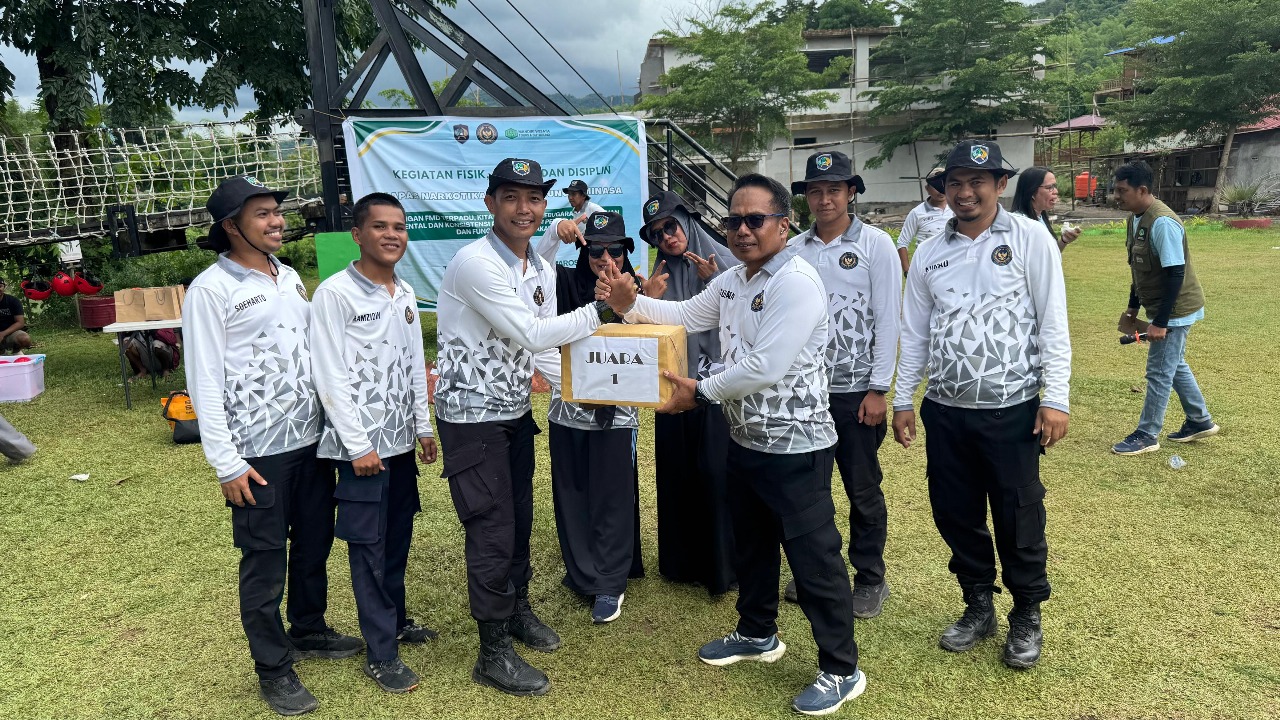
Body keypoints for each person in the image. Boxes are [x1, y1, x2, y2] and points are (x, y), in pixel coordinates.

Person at [597, 174, 866, 717]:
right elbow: (684, 314)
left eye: (755, 220)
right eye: (734, 221)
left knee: (814, 559)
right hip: (746, 438)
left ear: (783, 225)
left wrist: (698, 393)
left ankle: (841, 668)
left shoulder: (795, 281)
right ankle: (757, 632)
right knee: (753, 544)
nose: (742, 230)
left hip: (795, 444)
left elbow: (765, 366)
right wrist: (630, 304)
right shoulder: (733, 281)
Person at [434, 157, 618, 697]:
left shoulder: (536, 265)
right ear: (490, 203)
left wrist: (580, 391)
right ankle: (492, 651)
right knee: (492, 529)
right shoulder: (475, 264)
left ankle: (516, 610)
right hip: (472, 417)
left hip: (513, 411)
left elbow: (537, 351)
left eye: (534, 198)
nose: (524, 208)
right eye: (511, 197)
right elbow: (534, 333)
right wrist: (604, 309)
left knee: (517, 519)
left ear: (545, 205)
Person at [184, 175, 361, 716]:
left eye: (276, 212)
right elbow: (203, 380)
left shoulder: (288, 276)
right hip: (256, 452)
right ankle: (273, 668)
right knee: (264, 560)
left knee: (314, 542)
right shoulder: (210, 289)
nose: (277, 221)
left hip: (310, 440)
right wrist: (226, 463)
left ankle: (308, 628)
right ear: (231, 226)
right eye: (261, 214)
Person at [891, 140, 1070, 670]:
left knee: (1018, 515)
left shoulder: (1030, 238)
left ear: (1000, 185)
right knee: (956, 512)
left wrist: (1055, 399)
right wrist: (904, 400)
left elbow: (1052, 322)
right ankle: (977, 604)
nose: (965, 192)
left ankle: (1026, 612)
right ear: (943, 189)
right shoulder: (930, 251)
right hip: (945, 410)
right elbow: (915, 333)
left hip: (1011, 409)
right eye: (955, 183)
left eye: (977, 182)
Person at [309, 192, 439, 694]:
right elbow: (329, 374)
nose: (392, 235)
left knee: (397, 537)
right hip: (361, 452)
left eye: (399, 227)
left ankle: (397, 620)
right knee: (369, 548)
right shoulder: (335, 294)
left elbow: (413, 363)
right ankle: (381, 654)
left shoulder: (403, 291)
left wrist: (422, 427)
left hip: (401, 444)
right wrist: (358, 444)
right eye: (380, 226)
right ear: (357, 235)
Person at [784, 151, 900, 618]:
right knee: (809, 490)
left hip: (856, 392)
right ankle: (816, 572)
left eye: (834, 189)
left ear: (851, 192)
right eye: (815, 191)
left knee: (862, 489)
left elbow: (888, 318)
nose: (824, 199)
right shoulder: (795, 249)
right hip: (806, 391)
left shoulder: (876, 244)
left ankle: (870, 578)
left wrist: (879, 389)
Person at [636, 190, 738, 596]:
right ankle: (680, 565)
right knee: (677, 472)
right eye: (657, 234)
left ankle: (721, 568)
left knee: (716, 474)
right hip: (671, 385)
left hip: (714, 387)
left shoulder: (726, 262)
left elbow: (748, 316)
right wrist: (646, 301)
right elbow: (647, 335)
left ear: (688, 221)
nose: (667, 237)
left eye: (671, 226)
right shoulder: (659, 275)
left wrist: (714, 281)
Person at [547, 210, 644, 625]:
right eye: (596, 250)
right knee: (571, 492)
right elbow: (534, 271)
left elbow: (647, 347)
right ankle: (582, 571)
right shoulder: (564, 281)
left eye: (615, 251)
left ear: (626, 252)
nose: (606, 259)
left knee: (611, 496)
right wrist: (555, 233)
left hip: (616, 414)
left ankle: (609, 582)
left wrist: (629, 305)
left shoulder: (635, 288)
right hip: (567, 407)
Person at [1110, 160, 1218, 455]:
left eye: (1122, 190)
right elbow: (1138, 268)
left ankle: (1147, 434)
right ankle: (1199, 420)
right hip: (1161, 307)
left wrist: (1160, 321)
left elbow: (1175, 274)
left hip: (1175, 309)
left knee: (1159, 371)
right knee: (1174, 364)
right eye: (1116, 190)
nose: (1116, 196)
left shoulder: (1162, 223)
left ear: (1142, 190)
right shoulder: (1135, 218)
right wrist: (1133, 307)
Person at [896, 167, 953, 275]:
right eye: (935, 186)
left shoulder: (957, 209)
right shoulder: (917, 213)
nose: (940, 190)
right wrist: (907, 271)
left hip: (953, 266)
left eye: (943, 185)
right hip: (927, 267)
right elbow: (902, 242)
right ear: (927, 188)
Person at [1011, 166, 1082, 252]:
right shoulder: (1019, 225)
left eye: (1054, 186)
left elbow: (1049, 255)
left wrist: (1064, 241)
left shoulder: (1040, 217)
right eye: (1049, 187)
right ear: (1032, 192)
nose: (1056, 191)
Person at [0, 279, 32, 353]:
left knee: (24, 339)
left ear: (4, 287)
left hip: (10, 333)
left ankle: (15, 352)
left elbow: (20, 323)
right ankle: (2, 352)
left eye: (0, 286)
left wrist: (2, 334)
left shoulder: (13, 301)